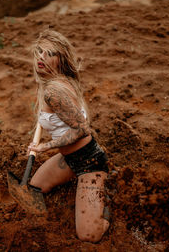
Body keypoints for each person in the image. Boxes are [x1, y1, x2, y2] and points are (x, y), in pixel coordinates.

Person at [27, 29, 110, 243]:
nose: (42, 58)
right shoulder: (57, 81)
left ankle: (104, 206)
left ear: (61, 60)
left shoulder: (54, 92)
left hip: (89, 162)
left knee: (89, 235)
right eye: (39, 52)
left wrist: (44, 147)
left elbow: (82, 130)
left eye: (50, 54)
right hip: (69, 159)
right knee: (34, 189)